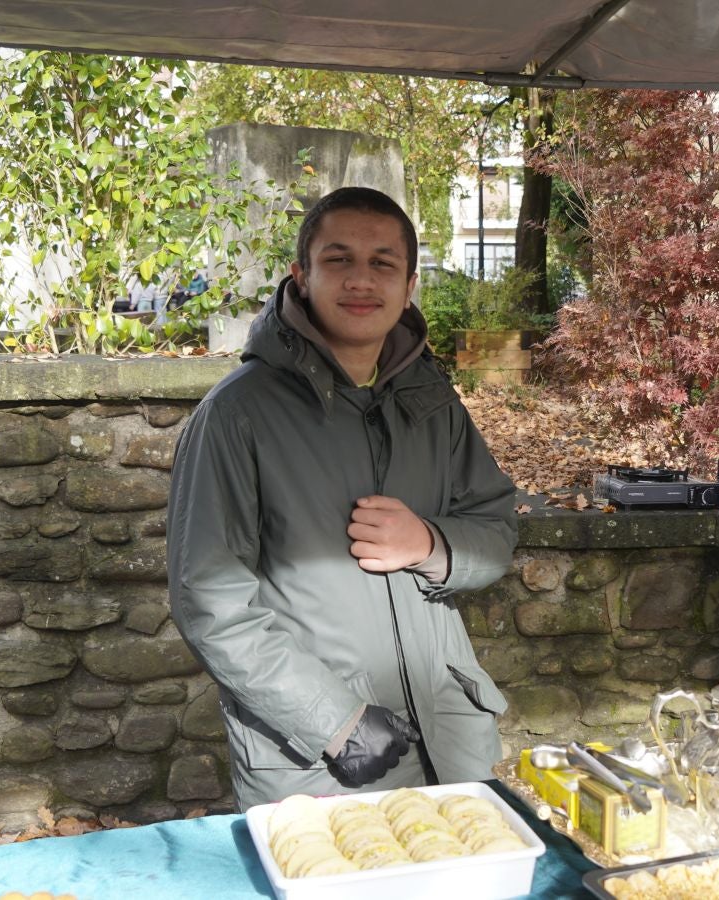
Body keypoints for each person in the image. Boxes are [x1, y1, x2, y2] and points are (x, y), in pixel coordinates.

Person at [167, 186, 518, 809]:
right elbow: (211, 601)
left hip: (455, 747)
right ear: (301, 276)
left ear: (410, 282)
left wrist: (431, 543)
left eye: (383, 263)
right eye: (339, 260)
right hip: (318, 762)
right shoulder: (236, 415)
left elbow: (495, 531)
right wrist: (335, 721)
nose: (362, 280)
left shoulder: (433, 404)